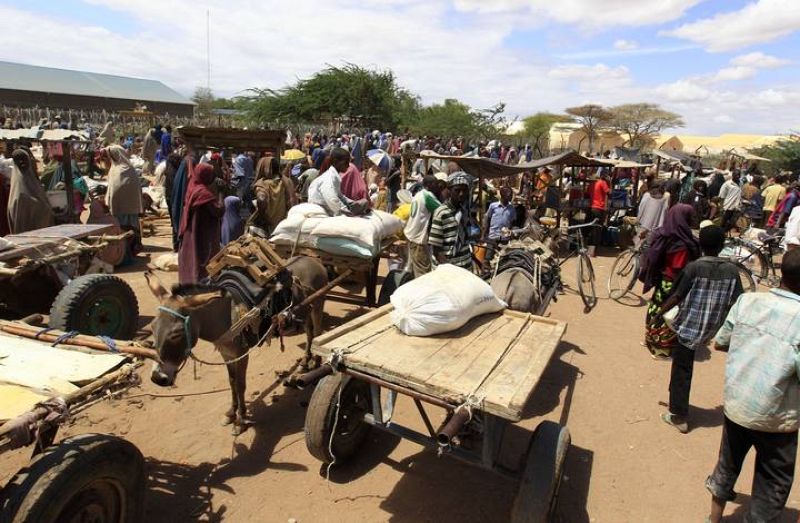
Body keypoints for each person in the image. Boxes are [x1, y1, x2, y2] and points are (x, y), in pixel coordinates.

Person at [705, 248, 800, 523]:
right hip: (777, 417)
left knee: (727, 464)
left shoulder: (748, 301)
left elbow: (721, 341)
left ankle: (713, 518)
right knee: (773, 480)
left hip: (738, 403)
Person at [657, 225, 743, 433]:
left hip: (689, 326)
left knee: (682, 370)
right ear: (722, 246)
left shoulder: (694, 267)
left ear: (700, 245)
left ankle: (679, 415)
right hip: (713, 327)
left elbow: (677, 296)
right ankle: (676, 403)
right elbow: (738, 300)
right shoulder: (732, 271)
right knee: (682, 366)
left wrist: (659, 313)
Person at [639, 204, 701, 359]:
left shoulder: (662, 234)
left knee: (656, 308)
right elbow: (678, 266)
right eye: (690, 217)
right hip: (674, 282)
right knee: (669, 313)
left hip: (661, 279)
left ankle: (650, 339)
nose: (693, 219)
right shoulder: (683, 242)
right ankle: (661, 349)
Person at [178, 163, 223, 284]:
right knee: (201, 259)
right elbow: (219, 211)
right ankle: (200, 283)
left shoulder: (193, 186)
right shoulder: (204, 193)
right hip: (203, 233)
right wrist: (221, 193)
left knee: (191, 256)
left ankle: (189, 281)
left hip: (192, 230)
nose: (213, 177)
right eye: (212, 174)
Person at [105, 145, 143, 257]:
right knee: (124, 227)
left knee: (125, 227)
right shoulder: (123, 169)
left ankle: (130, 249)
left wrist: (108, 200)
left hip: (123, 206)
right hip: (126, 205)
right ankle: (126, 250)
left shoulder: (124, 169)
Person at [429, 172, 472, 270]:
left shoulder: (464, 211)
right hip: (447, 269)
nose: (461, 194)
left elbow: (465, 240)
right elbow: (436, 249)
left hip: (465, 266)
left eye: (464, 190)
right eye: (457, 190)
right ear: (449, 191)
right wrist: (450, 270)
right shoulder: (441, 213)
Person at [7, 149, 55, 234]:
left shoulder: (33, 182)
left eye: (24, 158)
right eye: (18, 160)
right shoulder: (18, 189)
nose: (22, 162)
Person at [308, 147, 367, 216]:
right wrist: (346, 212)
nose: (348, 165)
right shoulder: (329, 178)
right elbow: (332, 199)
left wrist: (351, 203)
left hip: (329, 206)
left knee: (364, 202)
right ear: (336, 162)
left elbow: (340, 195)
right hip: (320, 208)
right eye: (346, 162)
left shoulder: (335, 177)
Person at [404, 175, 442, 278]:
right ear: (429, 185)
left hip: (411, 235)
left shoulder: (419, 194)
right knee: (423, 274)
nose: (438, 186)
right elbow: (442, 211)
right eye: (435, 184)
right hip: (418, 240)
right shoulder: (428, 196)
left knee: (415, 270)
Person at [250, 157, 296, 233]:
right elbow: (292, 202)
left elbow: (261, 199)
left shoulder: (263, 184)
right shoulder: (286, 181)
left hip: (268, 227)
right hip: (283, 225)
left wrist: (262, 218)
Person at [482, 186, 517, 261]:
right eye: (509, 195)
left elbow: (513, 222)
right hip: (493, 236)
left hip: (504, 238)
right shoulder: (493, 206)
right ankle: (486, 271)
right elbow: (488, 219)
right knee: (488, 257)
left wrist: (511, 232)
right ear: (502, 195)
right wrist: (484, 234)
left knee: (502, 259)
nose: (511, 197)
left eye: (511, 195)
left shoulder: (512, 208)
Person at [636, 181, 668, 246]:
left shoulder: (646, 195)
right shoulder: (664, 199)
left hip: (643, 225)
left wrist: (638, 219)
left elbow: (640, 208)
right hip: (656, 228)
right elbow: (664, 213)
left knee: (638, 245)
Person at [588, 173, 610, 256]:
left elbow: (587, 193)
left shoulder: (592, 184)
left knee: (592, 228)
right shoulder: (602, 182)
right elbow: (608, 192)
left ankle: (591, 250)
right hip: (599, 208)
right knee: (597, 229)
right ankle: (593, 251)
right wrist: (609, 183)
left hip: (592, 208)